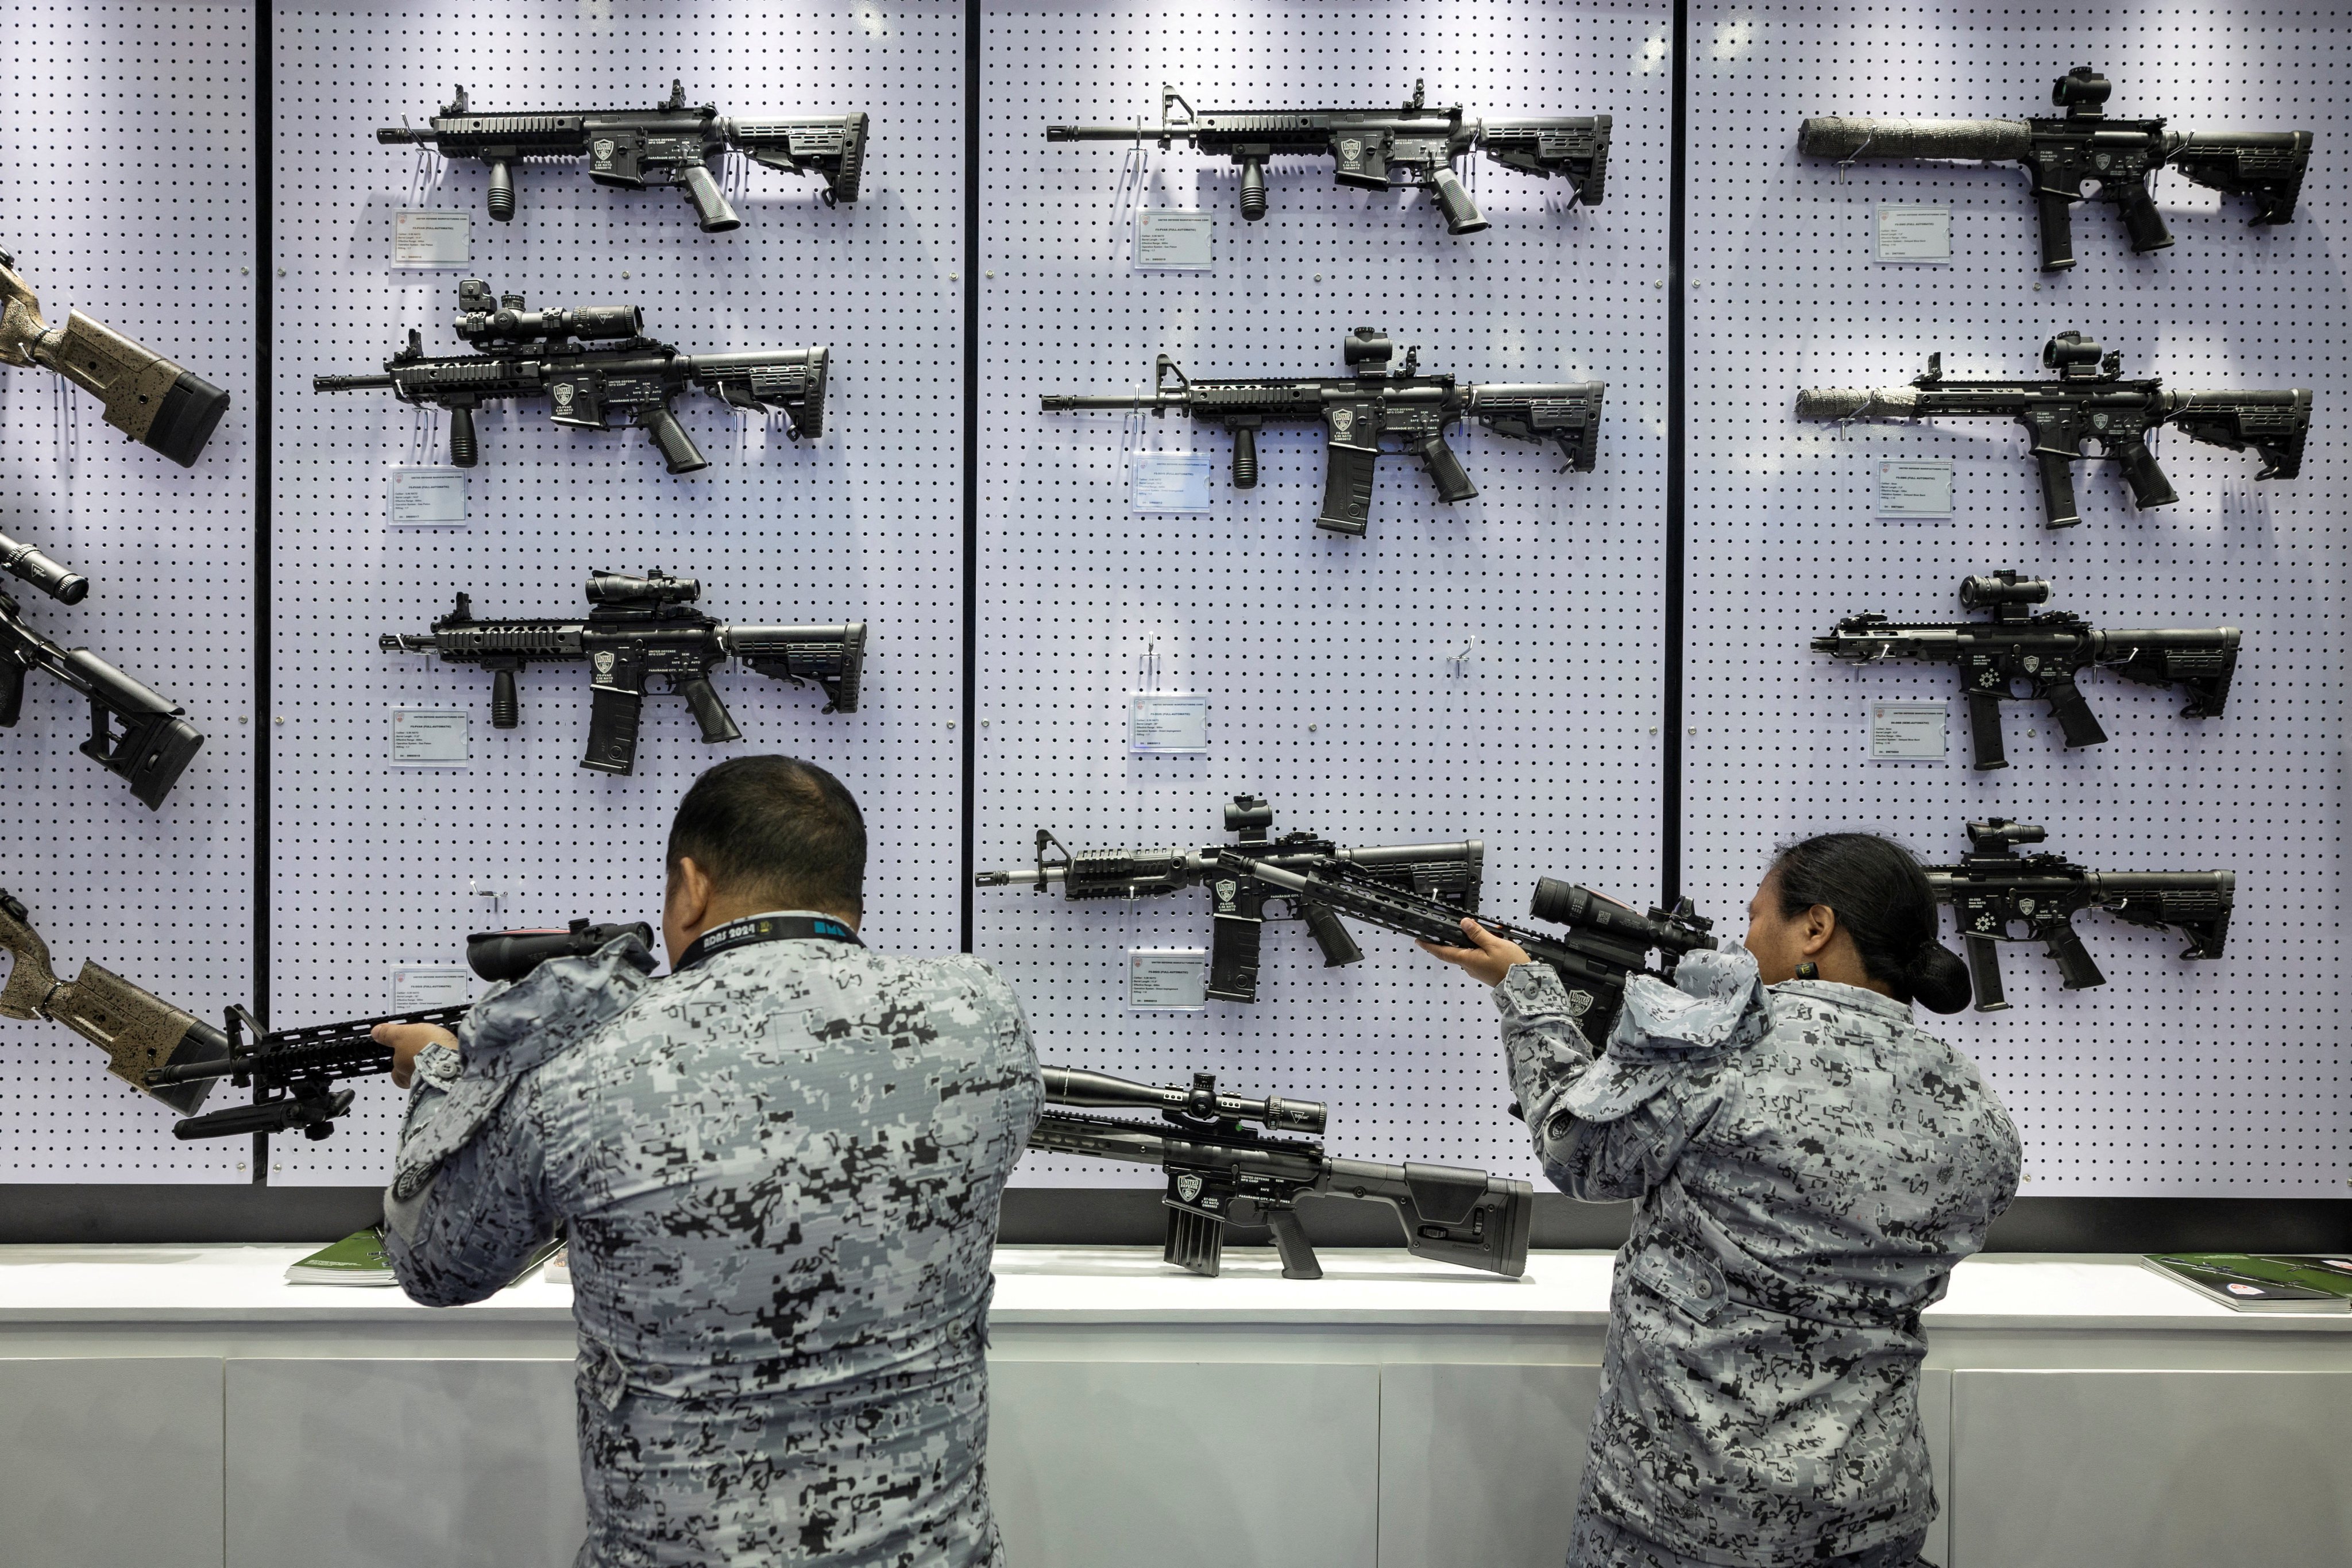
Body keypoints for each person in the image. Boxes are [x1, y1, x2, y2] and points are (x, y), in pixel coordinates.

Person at [373, 755, 1044, 1568]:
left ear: (692, 887)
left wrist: (448, 1076)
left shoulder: (587, 1061)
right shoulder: (981, 1019)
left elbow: (436, 1266)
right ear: (849, 895)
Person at [1420, 833, 2021, 1568]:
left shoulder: (1722, 1048)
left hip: (1683, 1515)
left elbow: (1577, 1154)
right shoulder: (1976, 1105)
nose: (1745, 938)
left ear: (1816, 927)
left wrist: (1531, 996)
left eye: (1756, 914)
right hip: (1869, 1514)